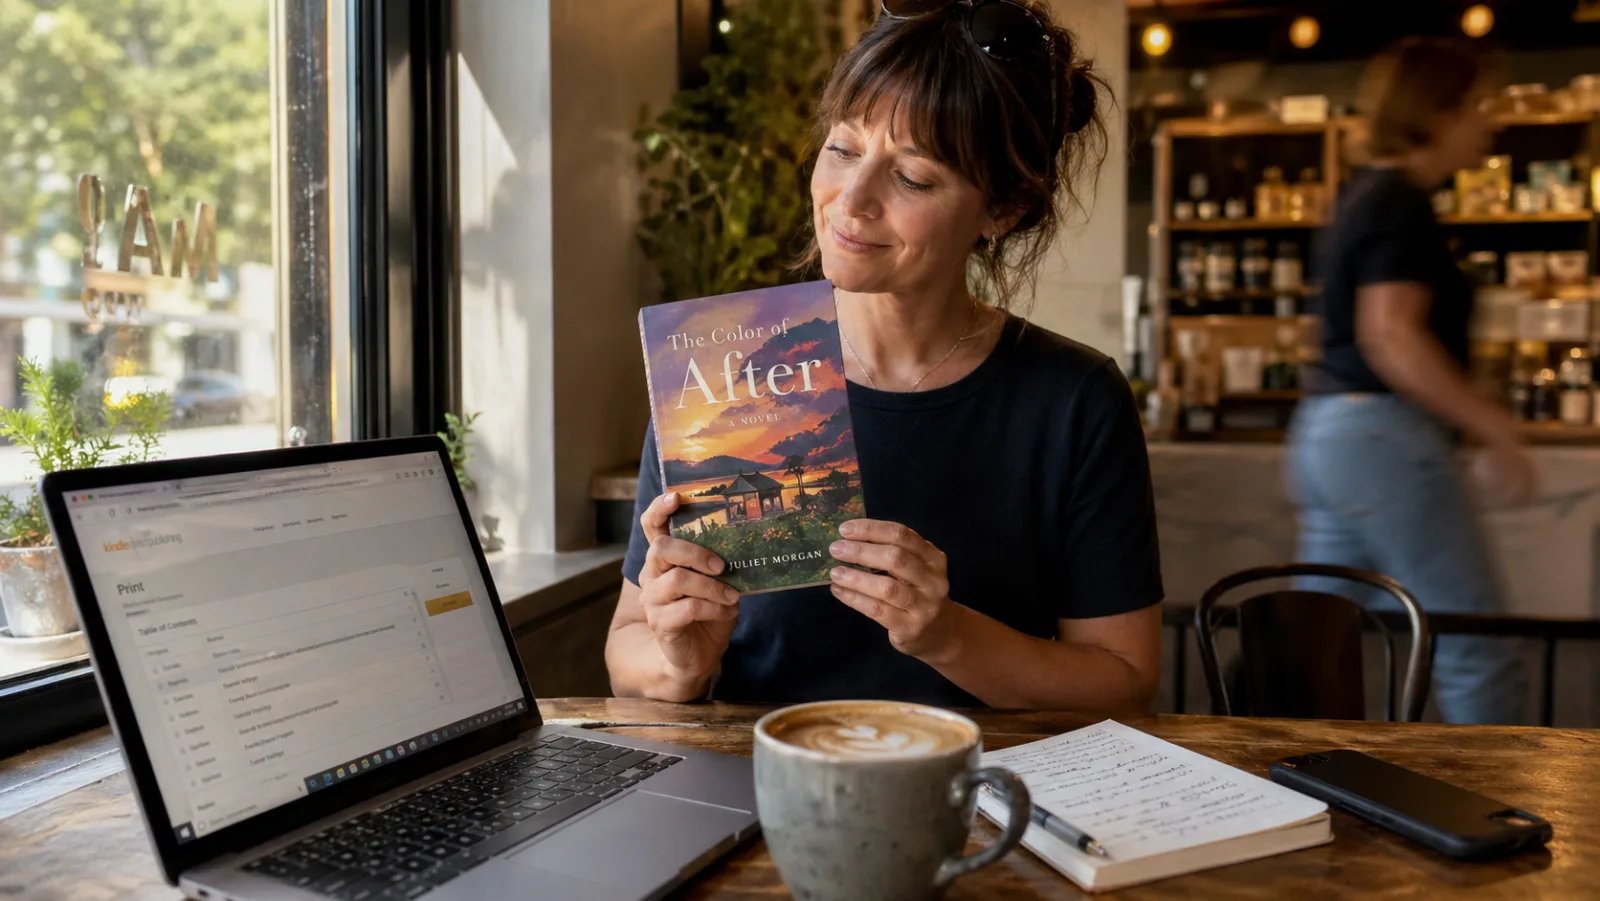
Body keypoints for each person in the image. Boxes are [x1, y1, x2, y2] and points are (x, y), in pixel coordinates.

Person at [606, 0, 1163, 710]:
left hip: (986, 798)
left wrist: (947, 635)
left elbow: (1124, 679)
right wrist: (680, 660)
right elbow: (627, 647)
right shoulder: (722, 371)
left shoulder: (1074, 399)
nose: (852, 199)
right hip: (759, 791)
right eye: (843, 148)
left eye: (914, 177)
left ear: (1004, 210)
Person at [1287, 37, 1532, 725]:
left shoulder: (1362, 195)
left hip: (1328, 434)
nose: (1490, 122)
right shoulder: (1400, 202)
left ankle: (1279, 776)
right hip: (1383, 436)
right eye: (1479, 105)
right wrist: (1494, 425)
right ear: (1438, 113)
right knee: (1475, 640)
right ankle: (1505, 812)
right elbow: (1390, 332)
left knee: (1315, 640)